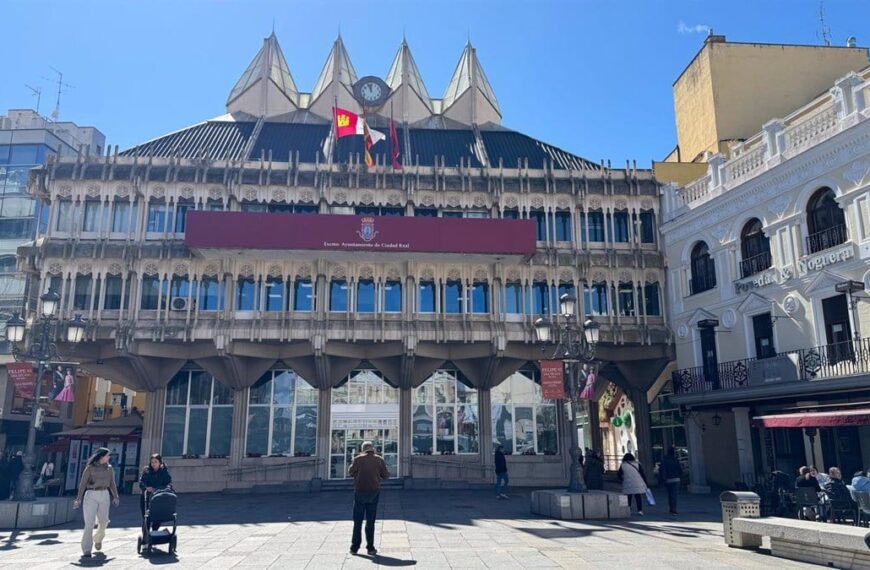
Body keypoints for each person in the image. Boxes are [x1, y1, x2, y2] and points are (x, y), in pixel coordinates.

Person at [74, 448, 119, 558]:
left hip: (104, 494)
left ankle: (98, 539)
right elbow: (83, 484)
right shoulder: (90, 468)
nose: (109, 457)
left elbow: (112, 483)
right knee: (89, 523)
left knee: (104, 522)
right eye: (107, 455)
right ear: (101, 456)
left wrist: (115, 496)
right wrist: (78, 498)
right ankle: (86, 549)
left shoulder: (109, 468)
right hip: (91, 495)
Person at [348, 441, 389, 556]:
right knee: (370, 521)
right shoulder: (379, 459)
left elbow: (350, 472)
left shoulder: (357, 459)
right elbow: (385, 476)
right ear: (373, 448)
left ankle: (354, 548)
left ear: (363, 449)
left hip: (360, 492)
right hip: (374, 493)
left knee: (357, 521)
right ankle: (370, 547)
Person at [138, 453, 172, 531]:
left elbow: (168, 483)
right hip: (146, 497)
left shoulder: (164, 472)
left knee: (158, 517)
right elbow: (141, 483)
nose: (153, 464)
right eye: (152, 462)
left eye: (155, 462)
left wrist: (158, 488)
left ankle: (154, 531)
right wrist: (146, 487)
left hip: (159, 497)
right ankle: (146, 536)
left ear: (160, 462)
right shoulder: (146, 471)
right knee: (146, 518)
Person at [660, 447, 683, 516]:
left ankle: (671, 508)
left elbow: (662, 470)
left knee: (670, 494)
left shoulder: (664, 460)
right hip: (676, 479)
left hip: (668, 479)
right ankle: (673, 509)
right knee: (674, 495)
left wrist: (663, 478)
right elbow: (680, 469)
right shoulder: (675, 460)